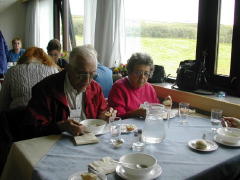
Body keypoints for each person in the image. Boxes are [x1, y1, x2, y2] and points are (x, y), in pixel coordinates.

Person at [25, 45, 116, 137]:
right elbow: (32, 129)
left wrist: (105, 116)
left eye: (92, 74)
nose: (87, 81)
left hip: (89, 143)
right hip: (56, 145)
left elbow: (102, 112)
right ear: (68, 68)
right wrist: (61, 127)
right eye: (81, 74)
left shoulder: (95, 88)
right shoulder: (45, 89)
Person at [0, 47, 59, 111]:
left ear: (23, 58)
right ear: (45, 58)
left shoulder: (12, 71)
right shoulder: (53, 70)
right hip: (47, 116)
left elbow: (3, 102)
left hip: (17, 117)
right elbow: (58, 99)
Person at [108, 53, 162, 118]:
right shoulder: (118, 87)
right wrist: (135, 113)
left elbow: (155, 109)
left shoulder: (149, 88)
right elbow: (116, 117)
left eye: (146, 73)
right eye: (138, 73)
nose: (142, 77)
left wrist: (164, 106)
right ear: (130, 72)